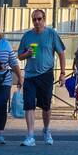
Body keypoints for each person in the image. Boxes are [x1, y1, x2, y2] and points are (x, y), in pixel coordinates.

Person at [17, 8, 66, 146]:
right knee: (29, 105)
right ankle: (30, 136)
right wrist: (27, 54)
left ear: (44, 19)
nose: (37, 22)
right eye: (34, 19)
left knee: (46, 106)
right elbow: (19, 56)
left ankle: (46, 130)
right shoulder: (27, 36)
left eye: (39, 19)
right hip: (30, 75)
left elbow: (61, 53)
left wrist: (62, 73)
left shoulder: (51, 34)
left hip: (46, 74)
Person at [0, 21, 22, 144]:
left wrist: (19, 77)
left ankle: (0, 134)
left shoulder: (5, 45)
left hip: (4, 81)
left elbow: (13, 62)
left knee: (1, 103)